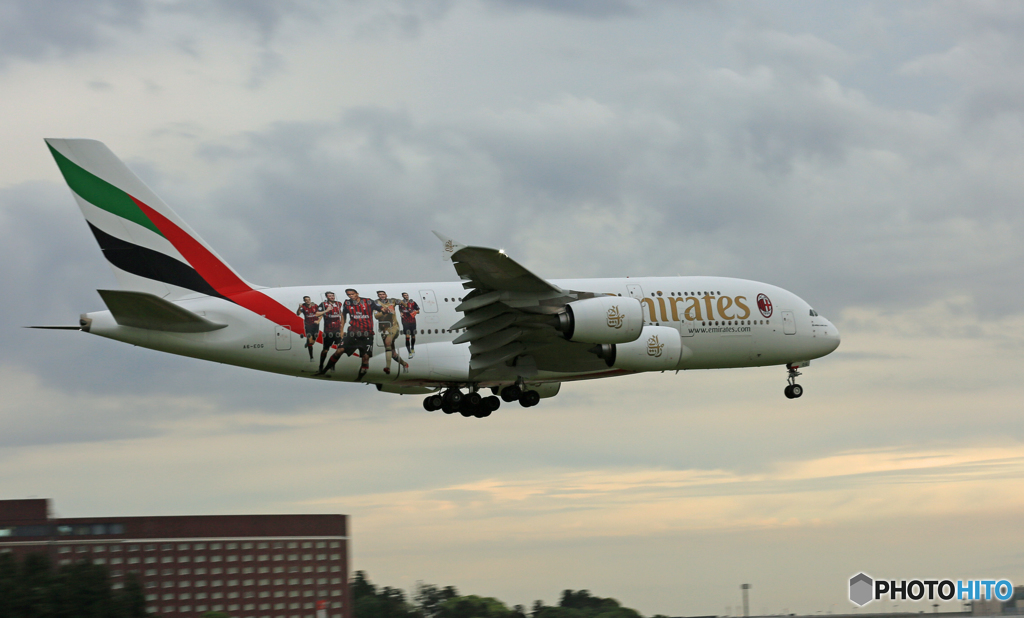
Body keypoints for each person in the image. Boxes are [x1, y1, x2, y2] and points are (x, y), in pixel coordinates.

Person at [317, 289, 381, 381]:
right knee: (339, 351)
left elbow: (381, 308)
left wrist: (386, 310)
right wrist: (341, 330)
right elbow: (343, 315)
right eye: (349, 295)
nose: (350, 296)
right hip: (352, 333)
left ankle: (360, 378)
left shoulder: (368, 301)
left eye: (352, 294)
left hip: (367, 334)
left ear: (357, 294)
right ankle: (323, 371)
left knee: (365, 357)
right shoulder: (346, 303)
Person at [374, 291, 410, 375]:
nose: (382, 296)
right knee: (393, 353)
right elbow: (376, 316)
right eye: (380, 295)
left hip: (393, 327)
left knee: (387, 343)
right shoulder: (376, 304)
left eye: (383, 294)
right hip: (383, 328)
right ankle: (405, 364)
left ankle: (388, 367)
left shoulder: (392, 301)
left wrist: (405, 307)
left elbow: (402, 303)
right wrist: (384, 312)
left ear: (386, 295)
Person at [314, 291, 344, 374]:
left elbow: (341, 314)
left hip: (337, 329)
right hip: (328, 330)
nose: (332, 297)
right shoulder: (323, 304)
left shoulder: (339, 304)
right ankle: (321, 365)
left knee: (338, 350)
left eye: (333, 295)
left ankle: (332, 364)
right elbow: (316, 314)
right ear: (327, 297)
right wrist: (326, 311)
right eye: (330, 296)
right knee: (325, 350)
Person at [295, 296, 321, 361]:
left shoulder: (315, 306)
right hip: (308, 325)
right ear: (304, 301)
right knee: (310, 342)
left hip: (315, 325)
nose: (308, 301)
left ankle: (308, 342)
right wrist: (299, 307)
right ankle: (311, 357)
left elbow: (321, 314)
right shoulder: (303, 307)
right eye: (306, 300)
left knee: (313, 341)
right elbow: (298, 313)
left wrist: (318, 321)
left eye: (308, 300)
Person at [398, 292, 419, 358]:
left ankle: (412, 348)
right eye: (405, 295)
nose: (406, 296)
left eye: (407, 295)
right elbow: (400, 311)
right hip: (405, 321)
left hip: (412, 321)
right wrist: (401, 313)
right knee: (407, 336)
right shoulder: (401, 304)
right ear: (403, 296)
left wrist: (414, 312)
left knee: (413, 336)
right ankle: (409, 352)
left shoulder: (413, 303)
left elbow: (418, 310)